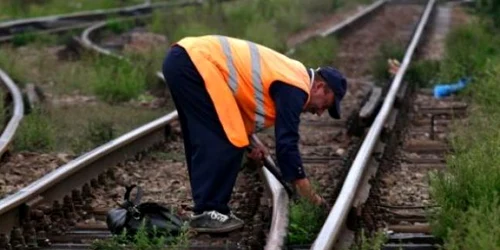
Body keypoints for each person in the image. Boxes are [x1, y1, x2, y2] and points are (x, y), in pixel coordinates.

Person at [162, 35, 347, 233]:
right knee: (226, 138)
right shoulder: (295, 87)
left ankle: (208, 209)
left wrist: (249, 143)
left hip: (185, 59)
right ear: (319, 87)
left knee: (216, 135)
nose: (319, 113)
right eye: (324, 105)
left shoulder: (293, 76)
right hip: (195, 62)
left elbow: (239, 101)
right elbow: (286, 143)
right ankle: (209, 211)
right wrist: (307, 192)